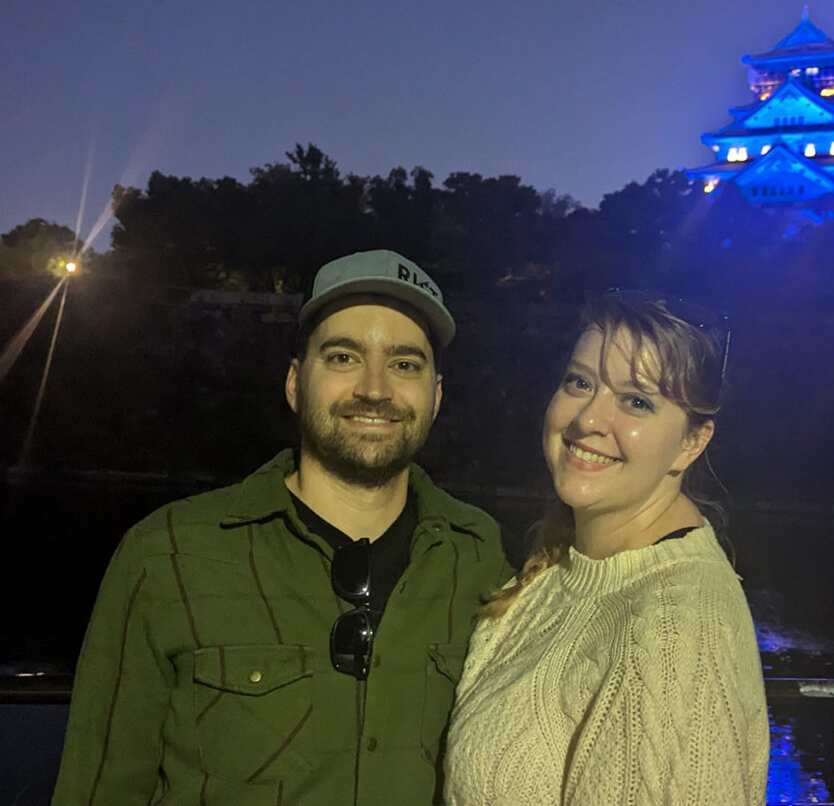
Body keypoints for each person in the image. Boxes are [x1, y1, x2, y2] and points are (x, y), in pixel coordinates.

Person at [53, 249, 510, 806]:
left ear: (436, 397)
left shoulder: (481, 555)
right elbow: (99, 787)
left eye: (405, 364)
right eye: (343, 357)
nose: (374, 388)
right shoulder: (166, 554)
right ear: (296, 383)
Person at [444, 292, 768, 805]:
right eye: (580, 382)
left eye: (637, 400)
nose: (588, 419)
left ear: (692, 442)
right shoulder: (562, 567)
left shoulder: (674, 630)